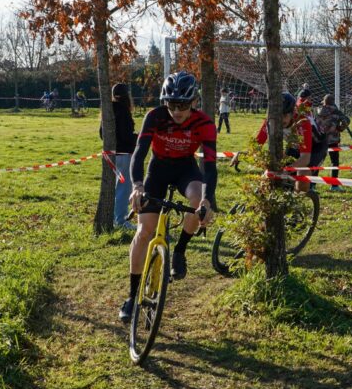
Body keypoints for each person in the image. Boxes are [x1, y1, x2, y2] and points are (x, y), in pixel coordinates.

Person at [121, 71, 216, 322]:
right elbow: (139, 153)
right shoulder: (155, 116)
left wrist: (207, 200)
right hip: (158, 169)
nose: (177, 111)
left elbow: (210, 166)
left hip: (186, 169)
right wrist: (137, 186)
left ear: (194, 101)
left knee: (197, 199)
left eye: (183, 105)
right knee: (144, 232)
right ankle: (132, 295)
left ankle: (180, 251)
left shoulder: (204, 123)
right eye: (172, 104)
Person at [234, 92, 327, 193]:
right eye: (277, 116)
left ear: (292, 113)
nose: (280, 120)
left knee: (302, 174)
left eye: (284, 115)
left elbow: (305, 158)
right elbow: (257, 144)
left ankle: (301, 195)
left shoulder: (302, 122)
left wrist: (288, 170)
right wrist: (243, 154)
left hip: (316, 148)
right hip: (295, 146)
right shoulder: (271, 120)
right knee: (277, 170)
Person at [101, 83, 138, 231]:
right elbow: (126, 136)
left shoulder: (108, 110)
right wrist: (138, 138)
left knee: (116, 188)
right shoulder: (123, 111)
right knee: (124, 188)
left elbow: (101, 133)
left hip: (111, 155)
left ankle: (113, 217)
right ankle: (121, 220)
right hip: (123, 154)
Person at [316, 94, 351, 191]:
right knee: (334, 162)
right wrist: (340, 128)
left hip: (320, 139)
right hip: (333, 140)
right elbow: (347, 120)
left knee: (317, 162)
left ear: (324, 102)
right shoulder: (336, 111)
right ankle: (334, 185)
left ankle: (312, 185)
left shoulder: (318, 111)